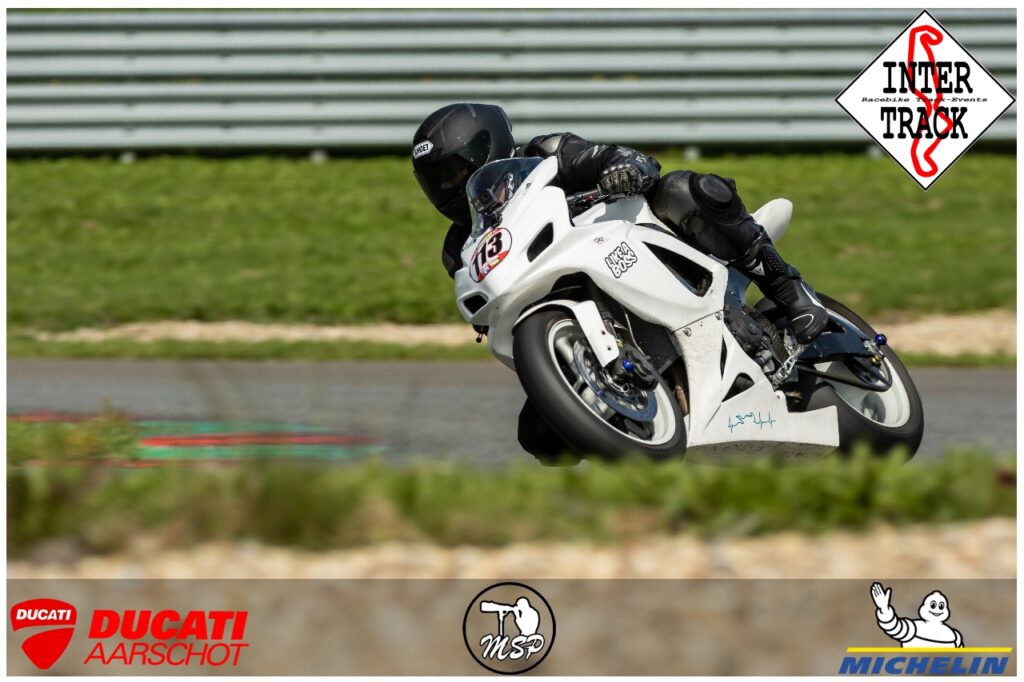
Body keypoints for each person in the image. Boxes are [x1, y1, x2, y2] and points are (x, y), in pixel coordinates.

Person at [411, 102, 828, 344]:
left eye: (454, 171)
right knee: (539, 438)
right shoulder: (461, 248)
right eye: (437, 181)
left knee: (683, 190)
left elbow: (621, 158)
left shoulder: (547, 154)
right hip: (574, 303)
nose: (449, 188)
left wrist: (624, 169)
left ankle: (789, 289)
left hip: (639, 247)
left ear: (487, 146)